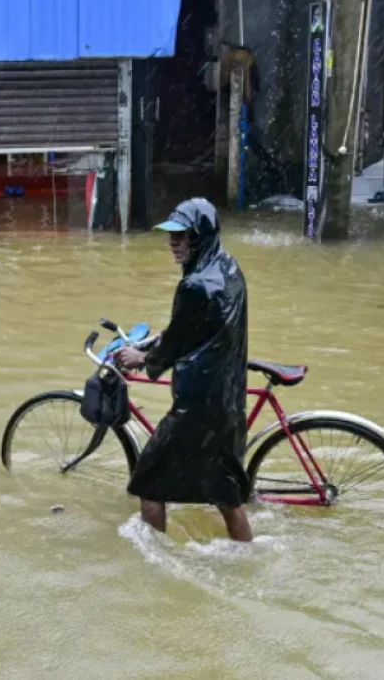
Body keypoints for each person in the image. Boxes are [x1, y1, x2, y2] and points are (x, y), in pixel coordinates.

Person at [114, 198, 253, 542]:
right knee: (227, 496)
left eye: (182, 235)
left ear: (200, 236)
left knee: (147, 482)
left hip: (198, 406)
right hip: (228, 401)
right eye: (171, 236)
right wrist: (162, 339)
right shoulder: (229, 268)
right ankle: (246, 555)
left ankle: (153, 563)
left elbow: (176, 343)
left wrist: (143, 358)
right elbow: (196, 329)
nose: (173, 243)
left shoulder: (192, 286)